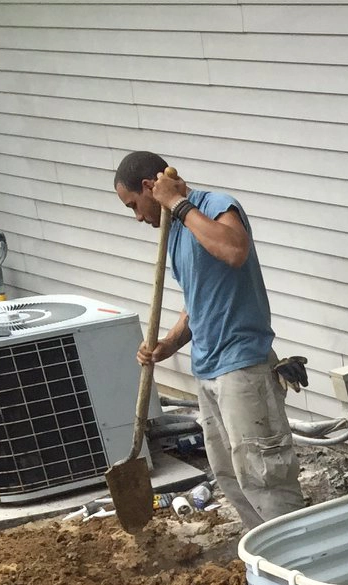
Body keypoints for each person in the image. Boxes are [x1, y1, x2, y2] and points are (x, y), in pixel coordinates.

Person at [113, 151, 302, 528]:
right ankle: (267, 563)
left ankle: (298, 566)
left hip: (243, 366)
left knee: (264, 478)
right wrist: (168, 343)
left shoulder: (212, 206)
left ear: (151, 188)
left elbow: (234, 249)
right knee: (230, 477)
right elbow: (196, 301)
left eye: (135, 204)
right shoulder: (176, 231)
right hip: (207, 370)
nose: (137, 217)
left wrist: (178, 204)